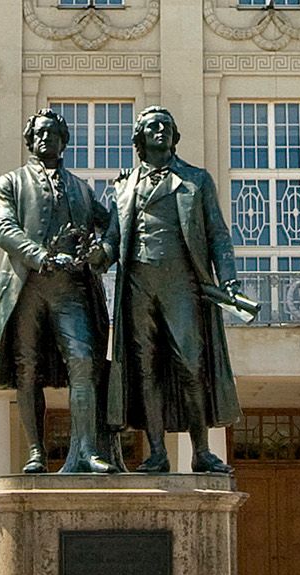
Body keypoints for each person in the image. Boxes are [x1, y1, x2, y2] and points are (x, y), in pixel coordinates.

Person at [99, 105, 241, 473]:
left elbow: (218, 235)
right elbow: (112, 241)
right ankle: (157, 452)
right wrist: (97, 257)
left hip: (182, 285)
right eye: (152, 126)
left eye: (166, 126)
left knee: (191, 365)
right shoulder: (122, 187)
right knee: (146, 370)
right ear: (139, 139)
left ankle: (201, 451)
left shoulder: (196, 180)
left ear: (175, 137)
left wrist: (228, 279)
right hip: (138, 286)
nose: (160, 130)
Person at [0, 109, 117, 474]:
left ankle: (87, 450)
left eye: (53, 133)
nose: (46, 139)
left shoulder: (80, 188)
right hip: (27, 287)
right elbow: (4, 228)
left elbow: (113, 226)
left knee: (84, 362)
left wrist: (103, 252)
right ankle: (36, 451)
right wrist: (41, 255)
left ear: (63, 141)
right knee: (27, 369)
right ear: (30, 142)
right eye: (39, 134)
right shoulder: (11, 183)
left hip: (71, 289)